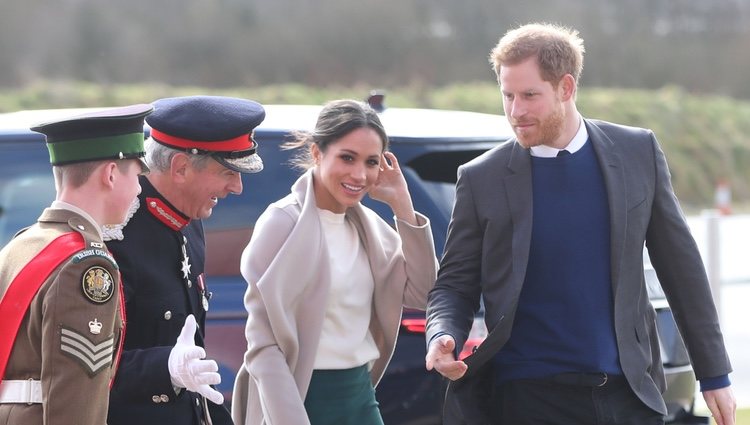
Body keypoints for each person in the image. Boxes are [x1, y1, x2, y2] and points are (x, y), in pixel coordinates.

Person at [425, 22, 736, 425]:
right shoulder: (480, 177)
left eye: (529, 95)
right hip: (525, 398)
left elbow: (682, 270)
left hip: (628, 395)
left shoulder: (636, 152)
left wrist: (714, 374)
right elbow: (454, 283)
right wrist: (442, 333)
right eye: (508, 95)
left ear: (566, 88)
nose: (516, 111)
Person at [231, 99, 438, 425]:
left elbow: (425, 293)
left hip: (359, 398)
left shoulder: (372, 230)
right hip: (299, 401)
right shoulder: (282, 223)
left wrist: (403, 204)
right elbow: (264, 347)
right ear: (317, 153)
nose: (359, 174)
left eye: (371, 162)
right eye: (347, 157)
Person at [103, 95, 265, 425]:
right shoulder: (115, 235)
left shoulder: (187, 221)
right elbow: (80, 369)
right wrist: (165, 368)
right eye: (227, 172)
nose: (237, 187)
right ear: (180, 168)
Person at [0, 104, 152, 424]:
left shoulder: (22, 243)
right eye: (138, 175)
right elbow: (76, 401)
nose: (139, 188)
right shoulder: (85, 265)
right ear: (111, 174)